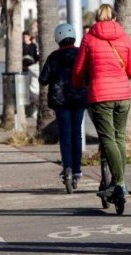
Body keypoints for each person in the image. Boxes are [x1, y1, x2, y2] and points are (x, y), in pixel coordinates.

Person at [73, 4, 131, 199]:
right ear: (115, 18)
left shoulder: (89, 38)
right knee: (119, 138)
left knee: (108, 139)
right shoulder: (124, 37)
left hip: (100, 95)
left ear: (97, 19)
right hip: (123, 95)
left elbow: (78, 69)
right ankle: (119, 182)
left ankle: (119, 183)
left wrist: (78, 84)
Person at [39, 23, 87, 188]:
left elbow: (43, 79)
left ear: (57, 39)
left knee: (65, 134)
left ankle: (67, 167)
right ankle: (78, 170)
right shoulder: (80, 53)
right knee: (77, 133)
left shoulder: (53, 57)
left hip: (60, 101)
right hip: (79, 98)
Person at [22, 30, 40, 118]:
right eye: (23, 37)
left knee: (34, 90)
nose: (24, 39)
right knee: (24, 92)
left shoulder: (33, 46)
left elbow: (37, 57)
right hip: (23, 71)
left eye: (25, 37)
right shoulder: (21, 46)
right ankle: (25, 111)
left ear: (29, 37)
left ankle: (34, 111)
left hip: (32, 70)